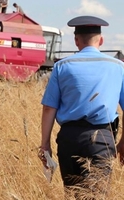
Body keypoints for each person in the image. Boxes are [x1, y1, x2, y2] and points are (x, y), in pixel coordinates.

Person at [39, 15, 124, 198]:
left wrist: (45, 144)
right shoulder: (118, 67)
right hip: (103, 138)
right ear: (101, 40)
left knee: (73, 193)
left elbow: (48, 108)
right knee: (98, 194)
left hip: (69, 139)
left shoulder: (62, 66)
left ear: (76, 40)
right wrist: (123, 140)